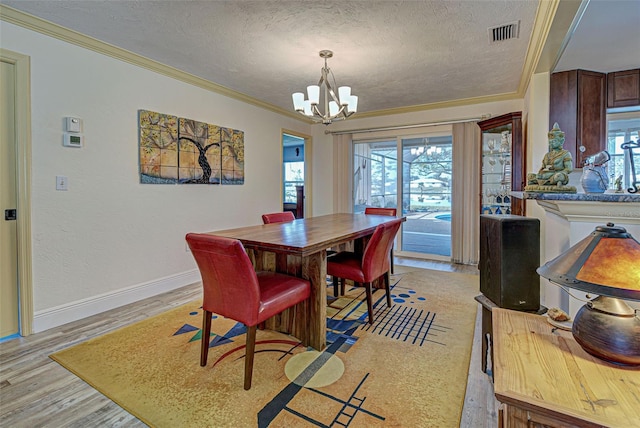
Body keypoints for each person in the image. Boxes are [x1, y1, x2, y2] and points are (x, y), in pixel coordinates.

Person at [527, 122, 573, 187]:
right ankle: (545, 182)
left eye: (554, 141)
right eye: (550, 142)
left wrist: (559, 172)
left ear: (561, 141)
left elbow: (569, 169)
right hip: (546, 175)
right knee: (530, 176)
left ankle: (547, 182)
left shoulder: (565, 154)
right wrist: (540, 174)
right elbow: (542, 168)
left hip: (557, 175)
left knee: (559, 177)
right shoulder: (547, 155)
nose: (551, 143)